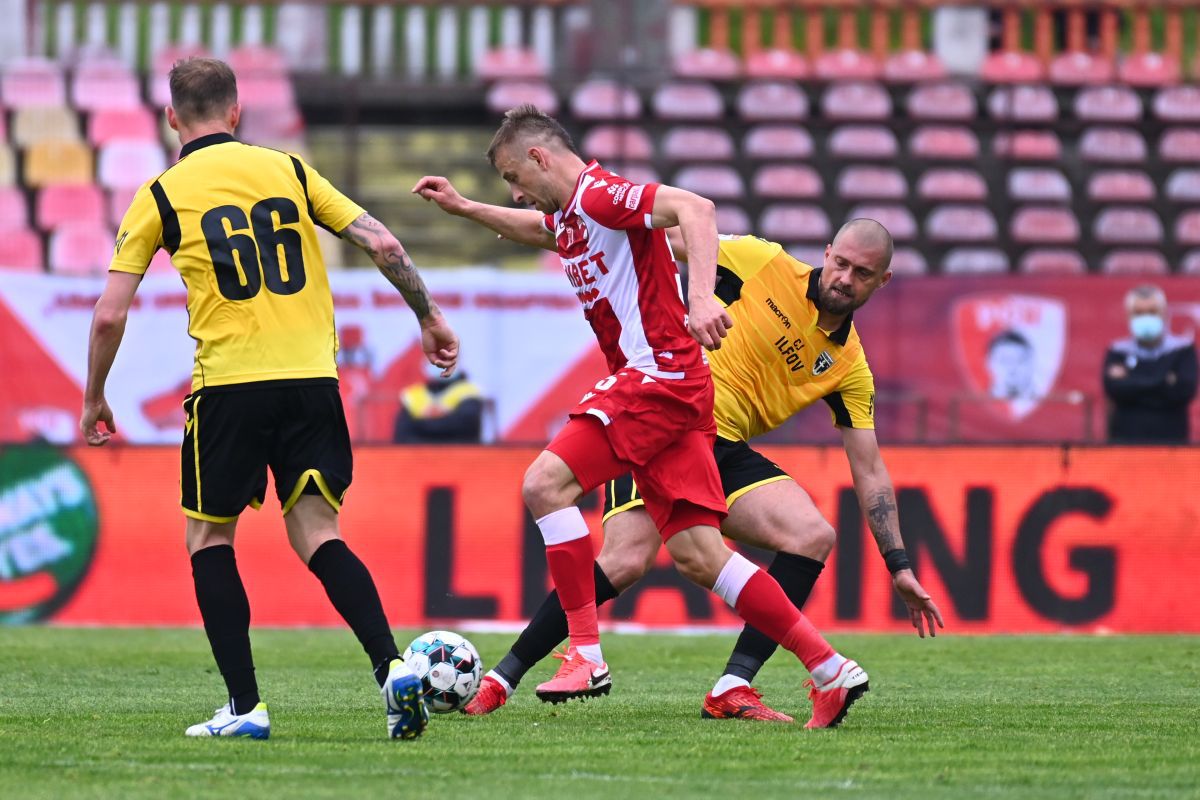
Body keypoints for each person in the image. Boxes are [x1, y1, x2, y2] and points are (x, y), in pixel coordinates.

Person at [414, 105, 870, 728]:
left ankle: (586, 653)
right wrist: (469, 209)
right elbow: (542, 231)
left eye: (512, 178)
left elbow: (698, 210)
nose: (515, 192)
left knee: (545, 484)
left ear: (540, 157)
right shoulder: (576, 214)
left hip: (657, 377)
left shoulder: (601, 193)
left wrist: (703, 298)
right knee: (700, 556)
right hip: (678, 393)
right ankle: (829, 668)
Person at [79, 57, 459, 741]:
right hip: (313, 381)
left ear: (172, 118)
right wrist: (427, 314)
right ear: (236, 111)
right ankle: (392, 666)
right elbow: (382, 239)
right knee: (319, 533)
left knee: (208, 537)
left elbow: (109, 315)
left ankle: (245, 707)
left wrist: (93, 397)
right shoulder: (287, 168)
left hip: (230, 386)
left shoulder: (161, 193)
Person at [463, 226, 944, 725]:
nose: (845, 278)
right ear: (826, 252)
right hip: (664, 419)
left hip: (724, 446)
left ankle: (734, 686)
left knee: (811, 535)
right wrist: (519, 224)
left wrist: (899, 563)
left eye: (861, 273)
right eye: (840, 263)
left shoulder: (849, 367)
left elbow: (869, 470)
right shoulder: (761, 261)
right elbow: (638, 242)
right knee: (626, 559)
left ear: (882, 281)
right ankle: (505, 677)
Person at [1104, 285, 1197, 443]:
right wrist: (1163, 379)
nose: (1146, 317)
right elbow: (1114, 390)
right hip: (1125, 444)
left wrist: (1131, 379)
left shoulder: (1183, 350)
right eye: (1139, 313)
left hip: (1172, 445)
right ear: (1129, 316)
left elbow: (1185, 391)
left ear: (1165, 314)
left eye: (1152, 312)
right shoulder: (1117, 351)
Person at [393, 361, 486, 444]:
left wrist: (423, 424)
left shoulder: (468, 391)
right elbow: (402, 435)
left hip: (459, 457)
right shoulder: (413, 395)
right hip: (419, 457)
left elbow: (466, 428)